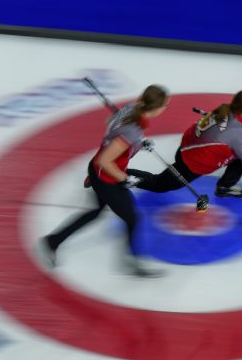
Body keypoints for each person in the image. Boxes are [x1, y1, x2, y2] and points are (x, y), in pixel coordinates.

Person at [39, 84, 170, 277]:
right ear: (156, 108)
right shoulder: (132, 130)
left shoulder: (131, 108)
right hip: (106, 176)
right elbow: (106, 161)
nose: (166, 108)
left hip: (98, 171)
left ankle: (53, 241)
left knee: (96, 212)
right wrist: (125, 178)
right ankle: (132, 263)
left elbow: (110, 123)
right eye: (165, 105)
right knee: (133, 218)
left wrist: (140, 143)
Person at [127, 90, 242, 198]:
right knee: (159, 185)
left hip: (188, 148)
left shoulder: (226, 109)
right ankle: (118, 176)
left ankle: (225, 186)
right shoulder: (238, 134)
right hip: (192, 164)